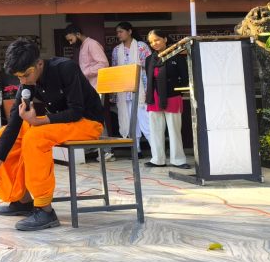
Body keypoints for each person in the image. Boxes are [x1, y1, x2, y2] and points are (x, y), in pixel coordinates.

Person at [0, 38, 104, 231]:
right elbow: (13, 125)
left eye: (26, 75)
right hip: (62, 122)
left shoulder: (66, 68)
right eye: (19, 77)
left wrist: (39, 121)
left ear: (39, 64)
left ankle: (45, 209)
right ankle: (23, 200)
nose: (23, 81)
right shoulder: (27, 83)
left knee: (35, 137)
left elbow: (76, 111)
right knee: (3, 134)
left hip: (88, 122)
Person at [144, 29, 190, 169]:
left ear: (165, 39)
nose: (154, 44)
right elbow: (150, 79)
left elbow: (185, 78)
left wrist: (176, 89)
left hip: (172, 96)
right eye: (151, 42)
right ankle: (157, 159)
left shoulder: (177, 57)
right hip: (154, 97)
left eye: (157, 40)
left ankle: (178, 160)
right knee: (155, 130)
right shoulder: (149, 59)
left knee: (174, 130)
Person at [64, 23, 110, 161]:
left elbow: (103, 64)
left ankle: (106, 150)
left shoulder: (92, 44)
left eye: (71, 39)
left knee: (97, 117)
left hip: (96, 87)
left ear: (78, 34)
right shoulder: (84, 46)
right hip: (89, 89)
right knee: (90, 117)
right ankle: (95, 147)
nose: (71, 43)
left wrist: (83, 73)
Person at [111, 22, 152, 158]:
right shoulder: (116, 50)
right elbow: (115, 71)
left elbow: (149, 67)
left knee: (146, 121)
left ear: (129, 31)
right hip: (124, 92)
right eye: (117, 32)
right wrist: (114, 94)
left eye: (121, 31)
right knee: (131, 123)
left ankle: (156, 152)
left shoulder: (141, 46)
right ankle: (137, 150)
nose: (118, 35)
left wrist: (148, 89)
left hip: (141, 90)